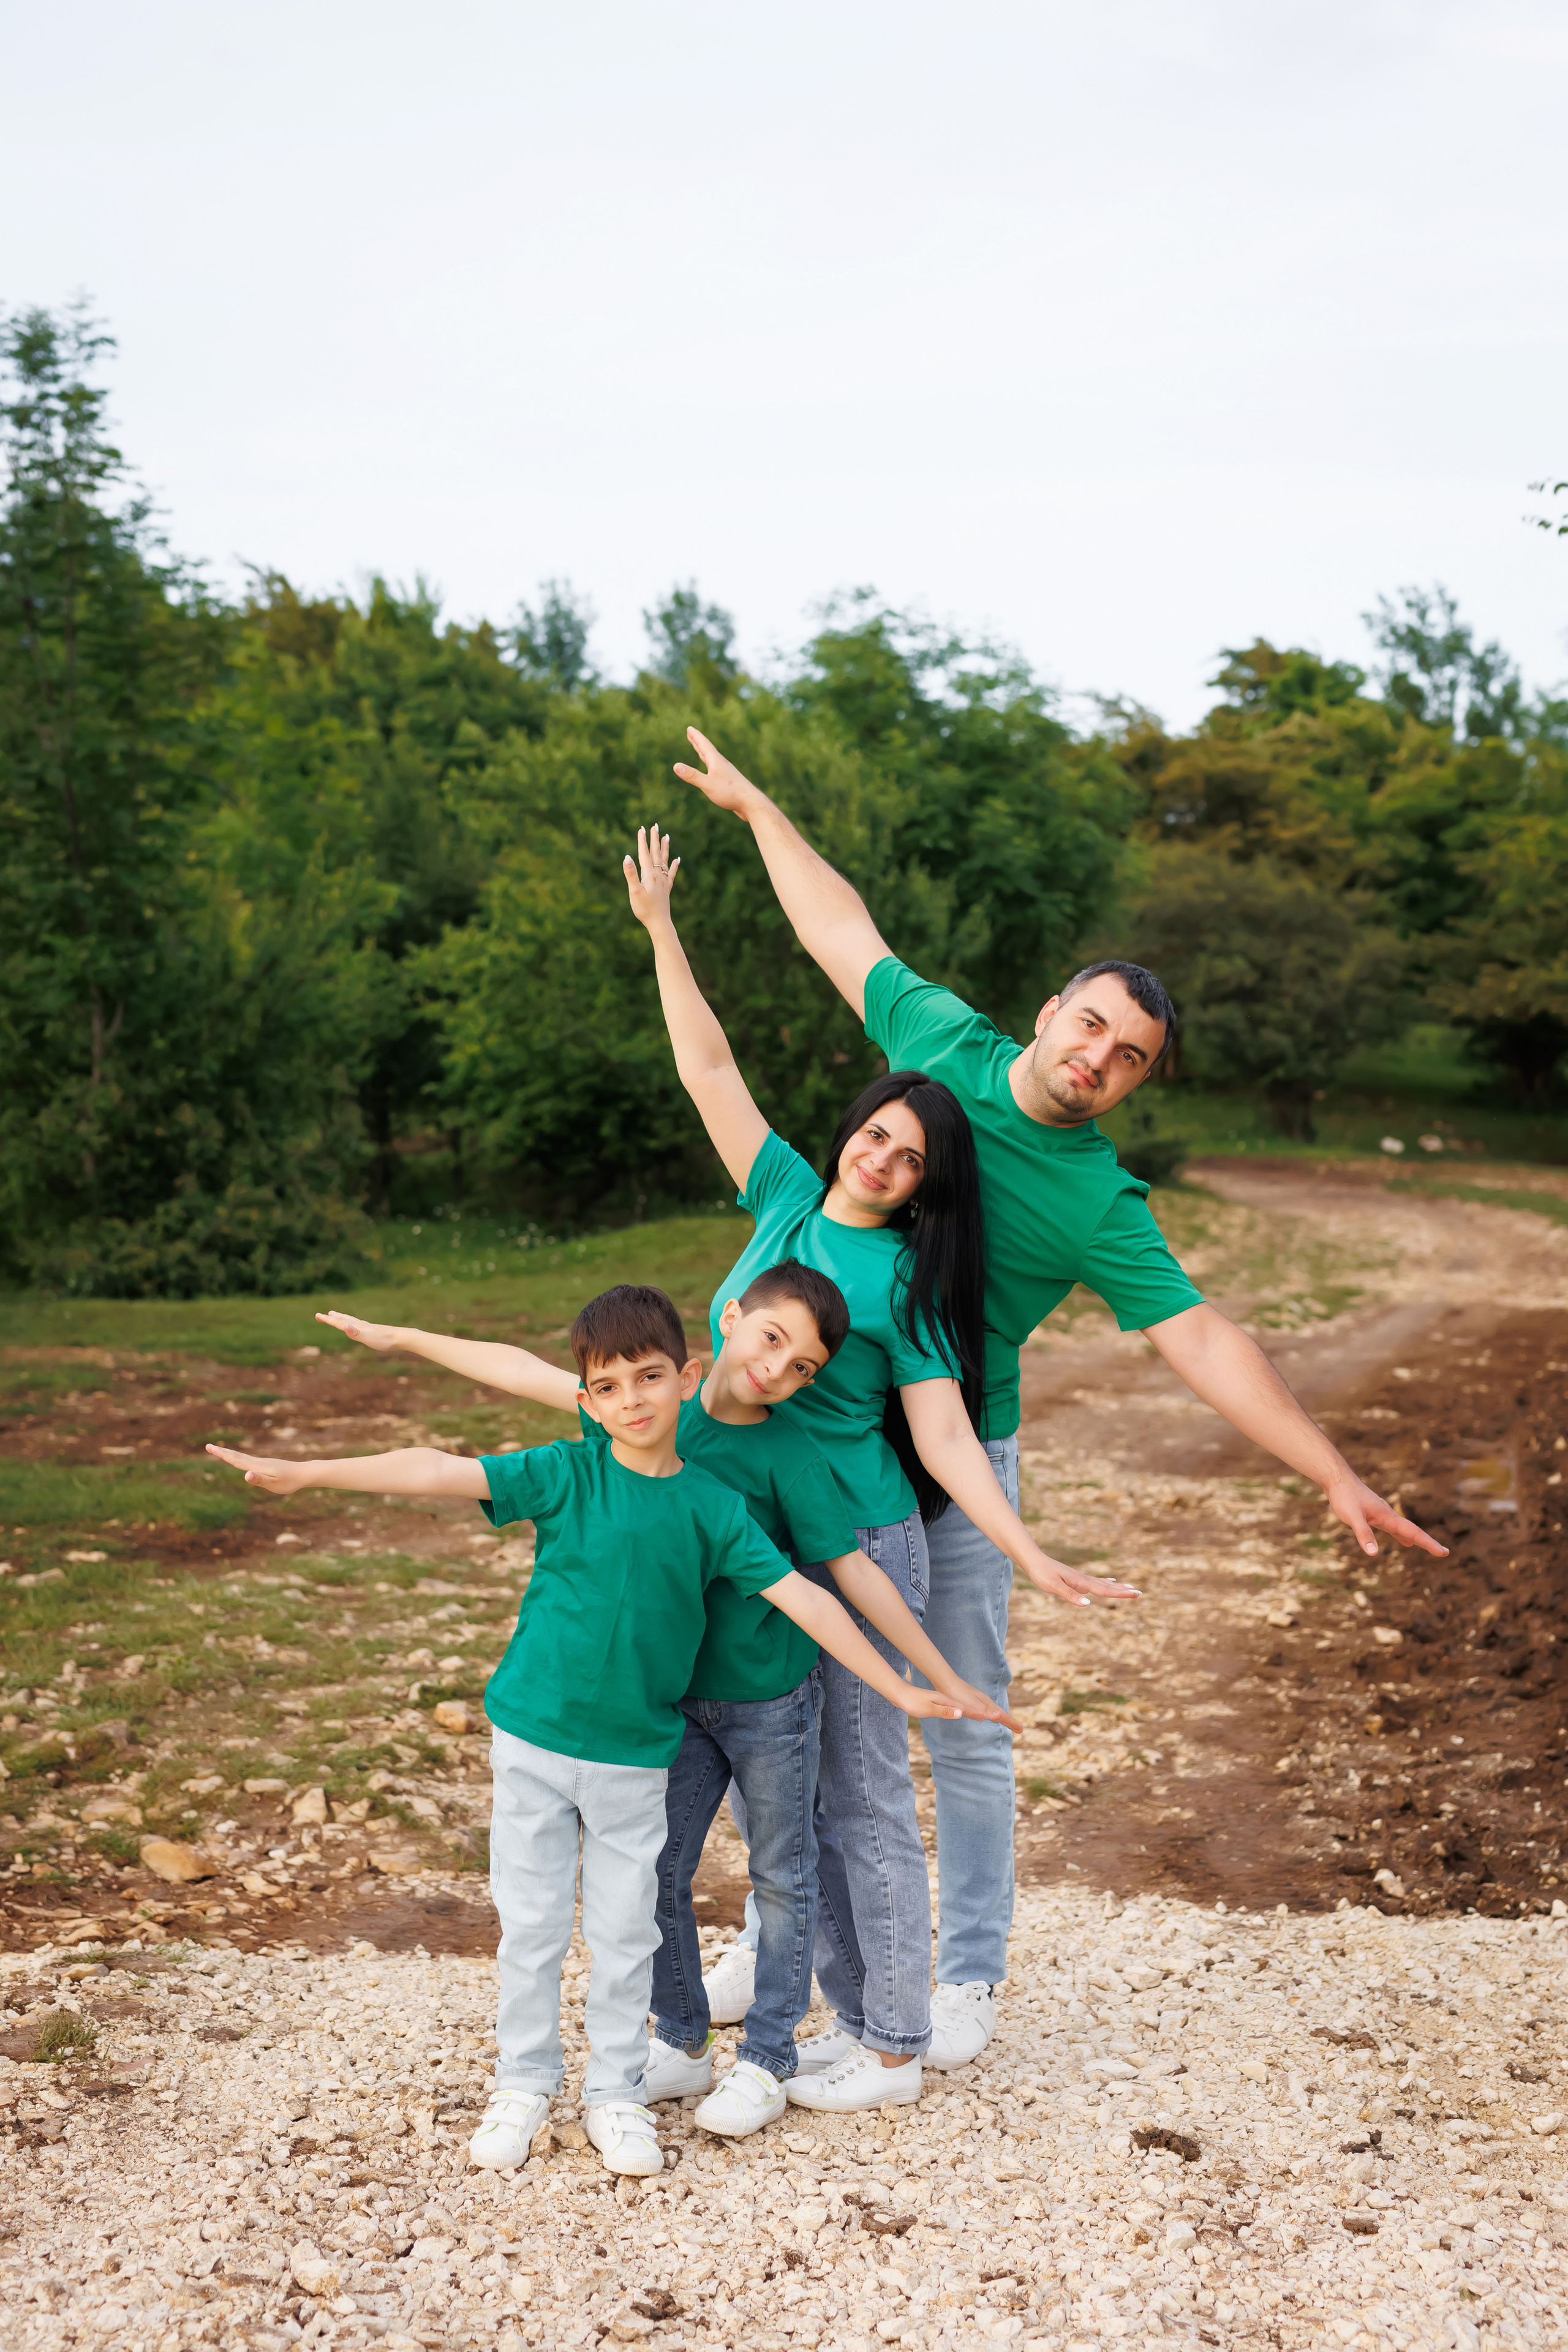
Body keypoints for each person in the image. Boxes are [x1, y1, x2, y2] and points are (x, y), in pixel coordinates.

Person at [671, 725, 1452, 2064]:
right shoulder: (942, 1044)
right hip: (810, 1431)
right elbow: (838, 931)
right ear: (1048, 1013)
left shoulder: (1100, 1202)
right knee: (776, 1687)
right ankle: (777, 1933)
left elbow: (1199, 1340)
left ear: (1135, 1082)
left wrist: (1326, 1469)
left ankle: (964, 1974)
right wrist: (756, 811)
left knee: (966, 1708)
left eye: (1129, 1056)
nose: (1097, 1057)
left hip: (953, 1444)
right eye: (1090, 1023)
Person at [206, 1283, 976, 2176]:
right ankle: (586, 2070)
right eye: (609, 1389)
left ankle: (692, 2075)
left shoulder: (733, 1488)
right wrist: (357, 1404)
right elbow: (455, 1448)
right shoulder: (590, 1450)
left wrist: (908, 1684)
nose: (632, 1402)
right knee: (584, 1910)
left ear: (683, 1378)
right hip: (598, 1720)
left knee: (705, 1900)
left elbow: (817, 1587)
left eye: (800, 1364)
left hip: (704, 1723)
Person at [623, 826, 1136, 2106]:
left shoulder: (907, 1281)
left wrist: (1023, 1551)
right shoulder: (785, 1200)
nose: (885, 1159)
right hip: (751, 1547)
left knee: (858, 1796)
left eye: (911, 1159)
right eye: (879, 1135)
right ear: (852, 1128)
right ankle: (790, 2015)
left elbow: (949, 1433)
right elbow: (707, 1064)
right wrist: (661, 935)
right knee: (767, 1787)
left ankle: (895, 2040)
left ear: (921, 1187)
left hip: (856, 1544)